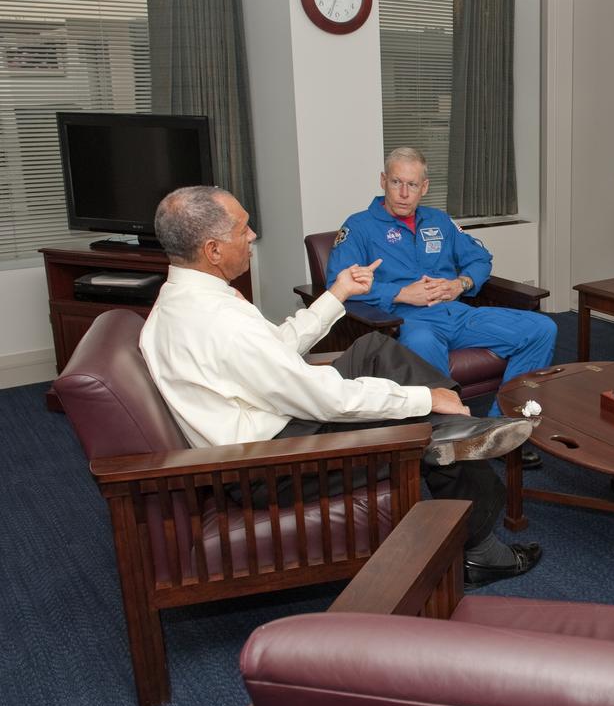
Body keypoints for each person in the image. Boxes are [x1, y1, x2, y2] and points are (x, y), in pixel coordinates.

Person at [140, 185, 542, 588]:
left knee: (373, 349)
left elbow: (274, 351)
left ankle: (458, 423)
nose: (252, 237)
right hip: (271, 464)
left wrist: (338, 294)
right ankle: (479, 542)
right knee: (422, 420)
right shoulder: (218, 321)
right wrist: (423, 397)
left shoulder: (181, 302)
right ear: (212, 249)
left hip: (271, 428)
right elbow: (324, 400)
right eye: (244, 229)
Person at [327, 147, 556, 468]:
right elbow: (338, 285)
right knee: (421, 342)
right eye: (396, 182)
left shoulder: (439, 220)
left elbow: (480, 259)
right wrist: (400, 293)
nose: (404, 193)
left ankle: (501, 425)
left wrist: (460, 284)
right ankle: (453, 436)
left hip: (457, 313)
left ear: (425, 186)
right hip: (406, 320)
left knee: (541, 328)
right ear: (383, 181)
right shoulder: (359, 226)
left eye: (412, 184)